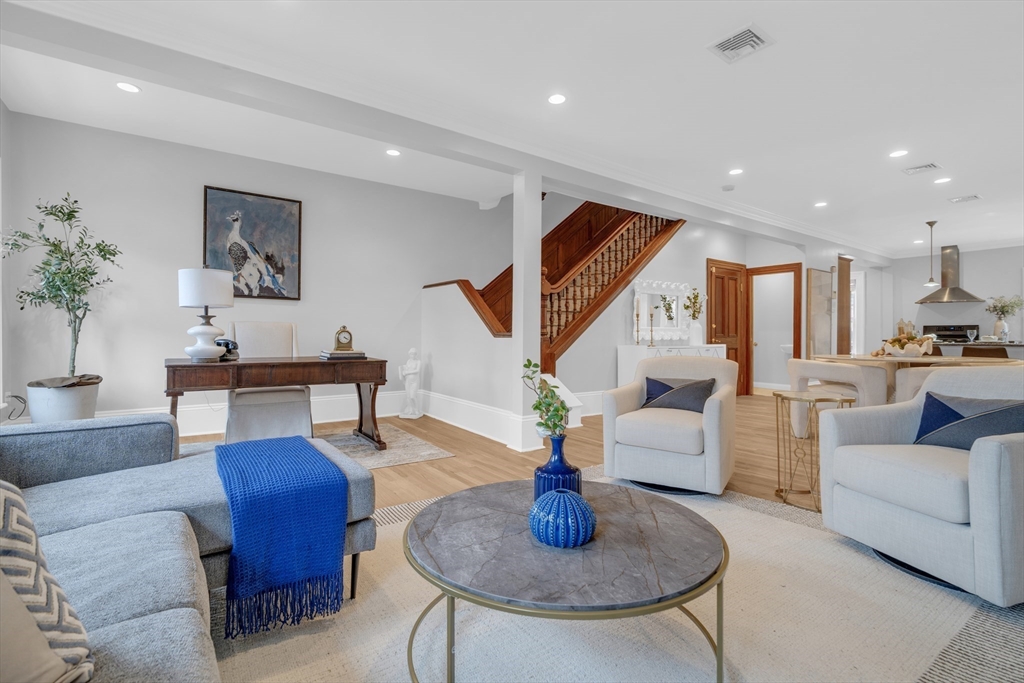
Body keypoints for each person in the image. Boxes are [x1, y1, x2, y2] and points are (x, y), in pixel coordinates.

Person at [398, 348, 422, 419]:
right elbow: (406, 369)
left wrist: (407, 372)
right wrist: (402, 371)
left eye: (414, 354)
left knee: (413, 396)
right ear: (409, 354)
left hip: (415, 381)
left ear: (416, 354)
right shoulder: (408, 361)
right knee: (408, 396)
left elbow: (417, 370)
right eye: (411, 354)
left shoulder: (418, 361)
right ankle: (411, 410)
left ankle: (416, 409)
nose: (412, 355)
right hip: (408, 380)